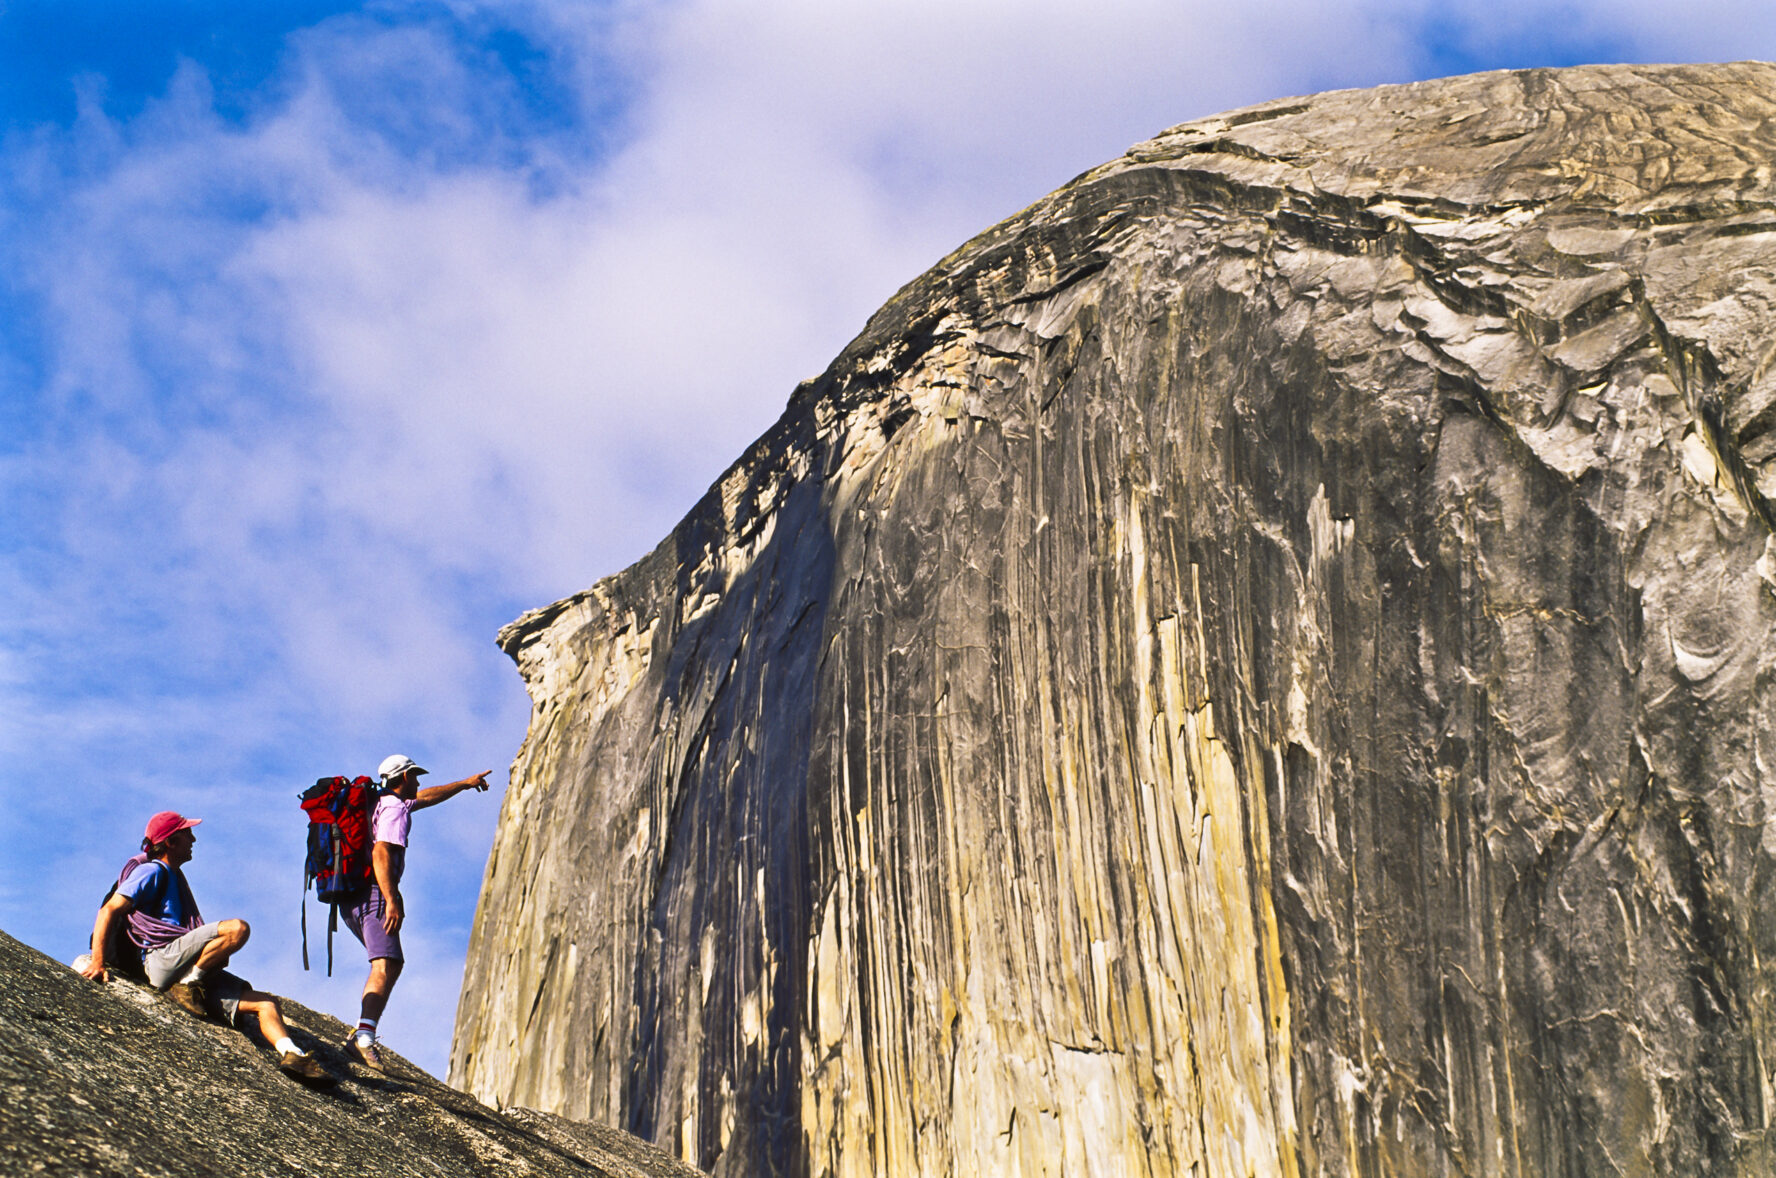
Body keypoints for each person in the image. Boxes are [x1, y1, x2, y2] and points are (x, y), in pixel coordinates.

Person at [82, 810, 335, 1086]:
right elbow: (109, 911)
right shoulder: (151, 871)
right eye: (186, 834)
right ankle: (190, 984)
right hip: (162, 960)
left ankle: (293, 1055)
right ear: (170, 842)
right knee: (237, 929)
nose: (193, 839)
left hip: (181, 963)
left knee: (267, 1003)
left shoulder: (175, 877)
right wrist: (98, 961)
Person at [339, 754, 490, 1070]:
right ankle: (363, 1037)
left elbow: (424, 796)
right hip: (373, 894)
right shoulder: (395, 811)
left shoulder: (382, 802)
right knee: (386, 963)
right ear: (403, 777)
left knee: (390, 963)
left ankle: (364, 1032)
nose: (419, 781)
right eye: (414, 776)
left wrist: (464, 784)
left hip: (351, 898)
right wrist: (391, 897)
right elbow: (381, 851)